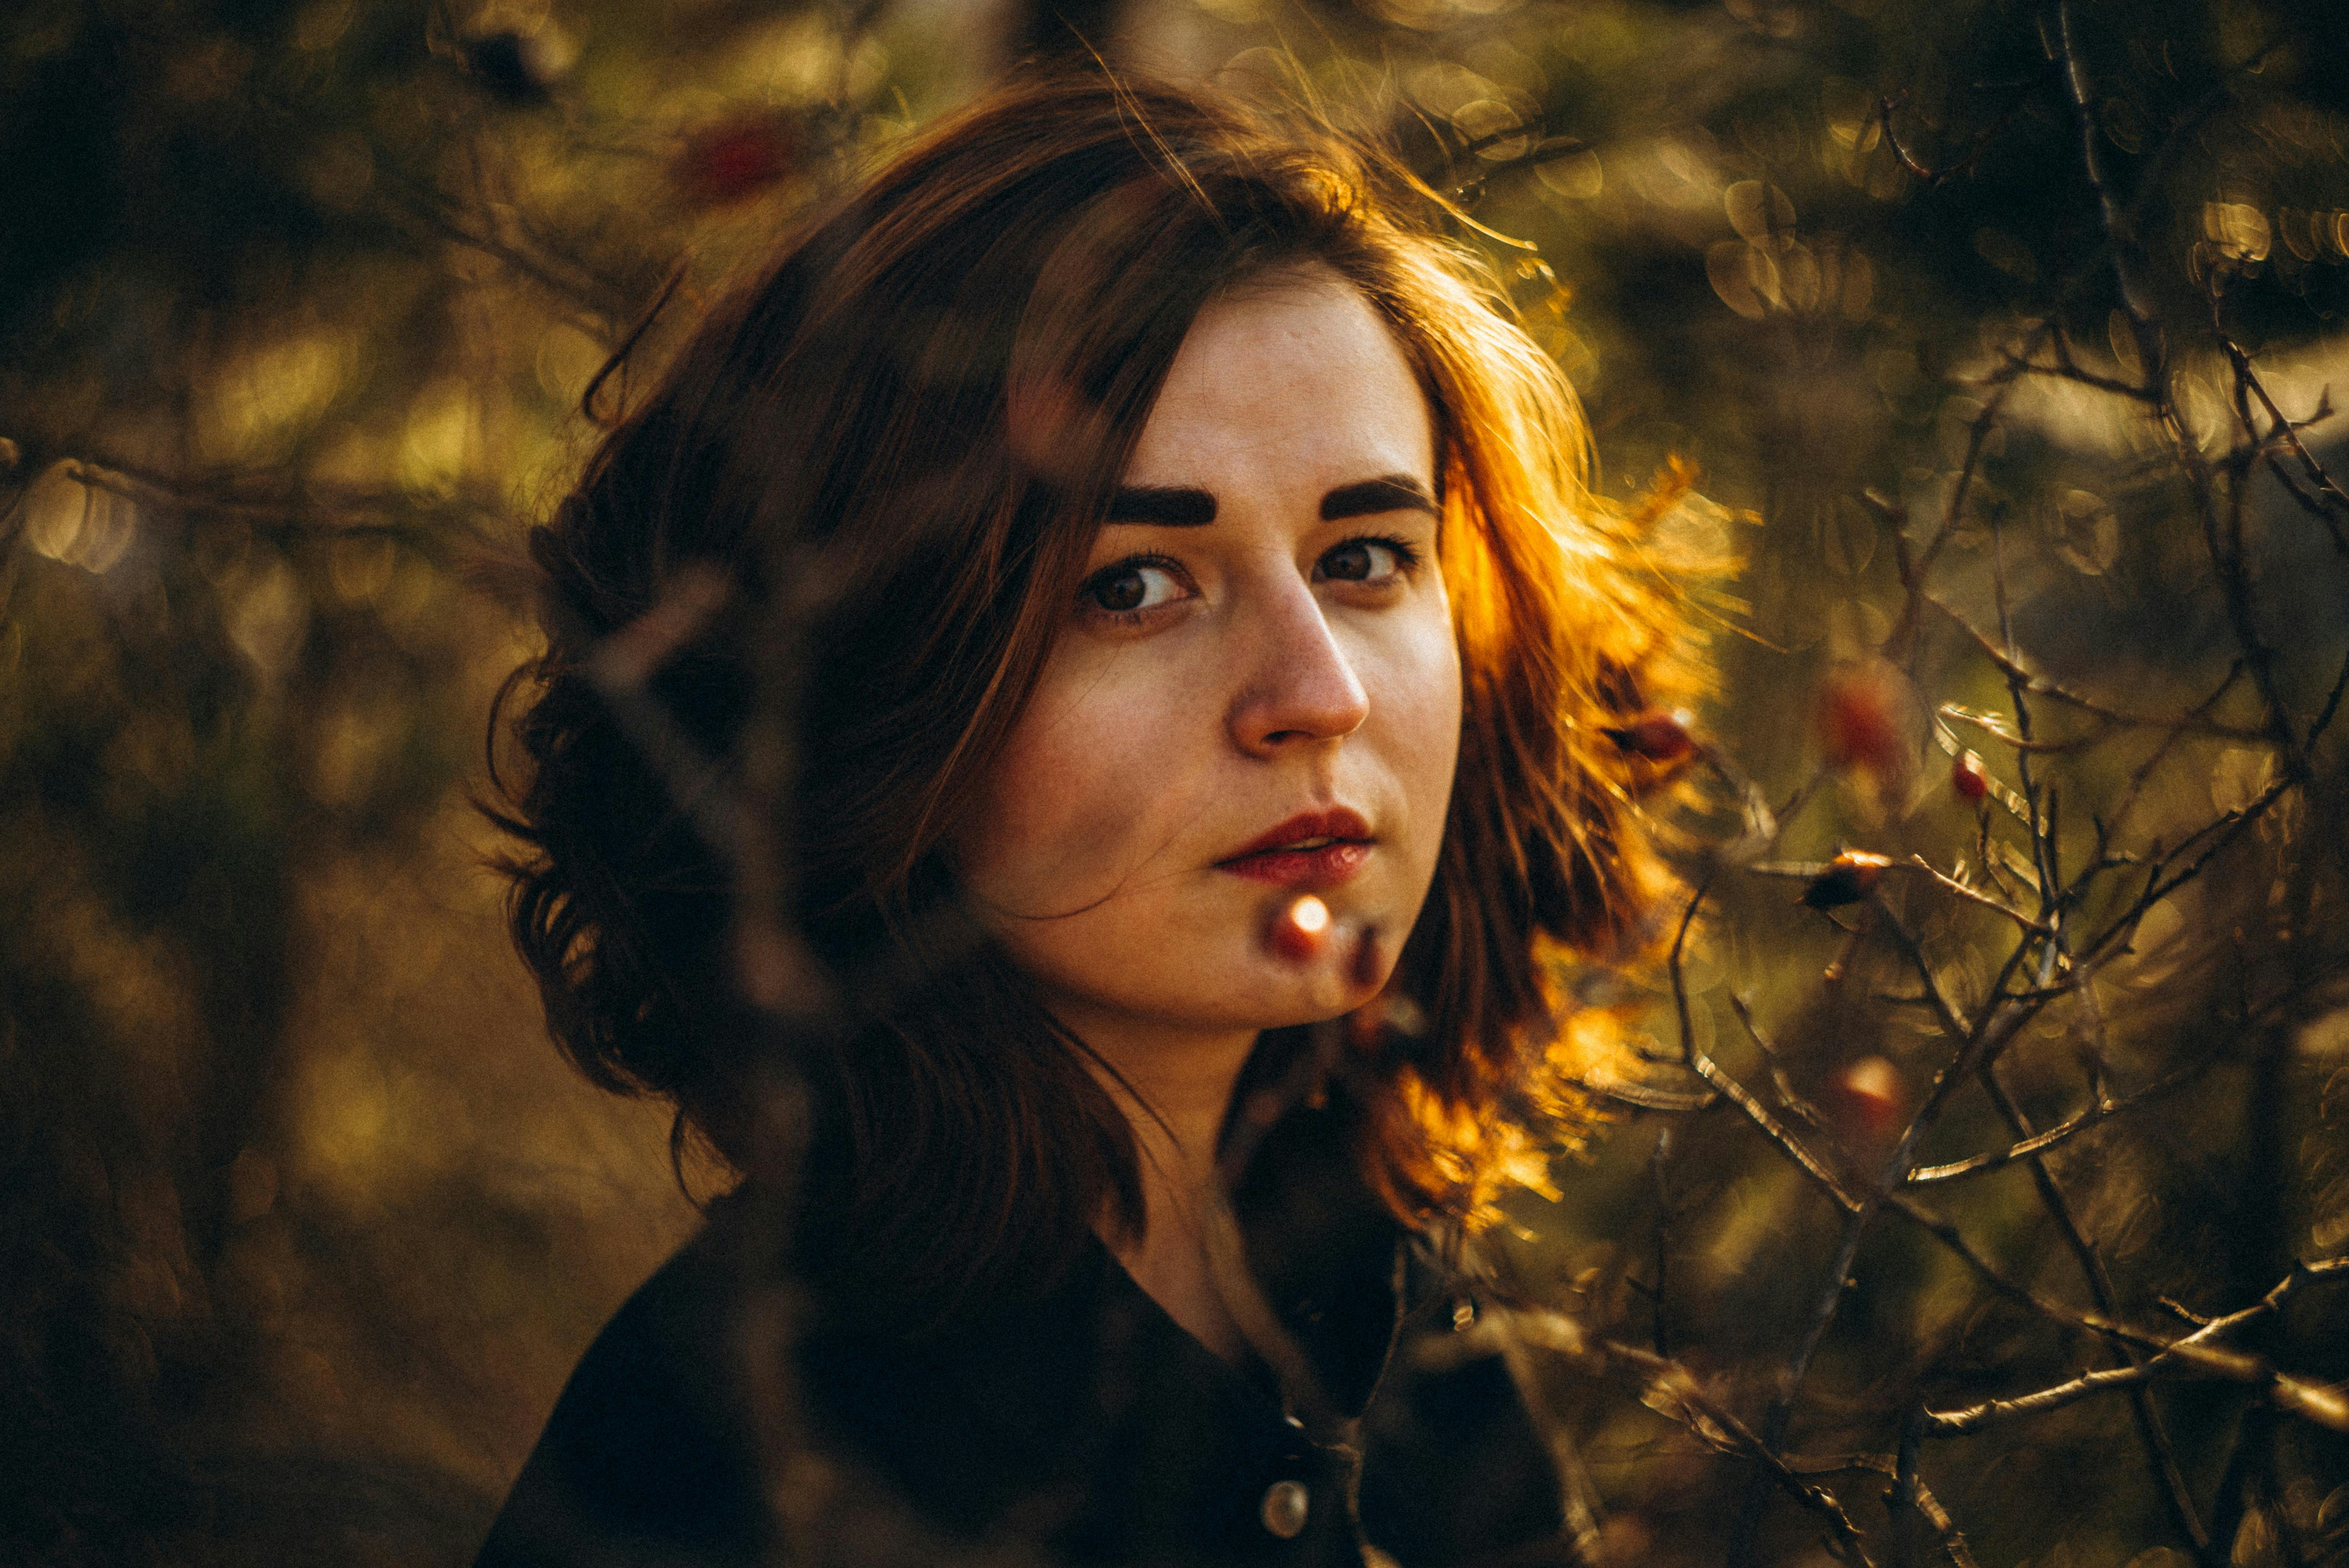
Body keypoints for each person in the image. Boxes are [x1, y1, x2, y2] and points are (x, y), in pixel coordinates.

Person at [475, 69, 1698, 1568]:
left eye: (1369, 555)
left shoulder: (1395, 1326)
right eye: (1130, 585)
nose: (1317, 692)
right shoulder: (732, 1476)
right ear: (875, 690)